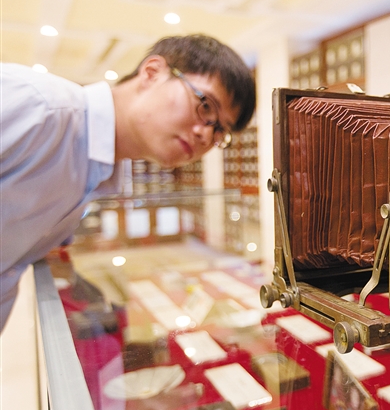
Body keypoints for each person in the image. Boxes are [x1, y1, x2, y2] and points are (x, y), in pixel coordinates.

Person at [0, 34, 256, 331]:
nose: (206, 135)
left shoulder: (100, 172)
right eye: (206, 105)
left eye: (220, 130)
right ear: (152, 73)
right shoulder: (36, 106)